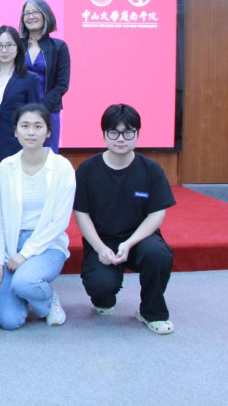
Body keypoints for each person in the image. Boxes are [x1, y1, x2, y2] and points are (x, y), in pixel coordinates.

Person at [73, 103, 176, 335]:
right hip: (102, 240)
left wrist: (129, 243)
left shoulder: (151, 170)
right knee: (100, 286)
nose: (121, 139)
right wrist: (99, 248)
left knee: (158, 254)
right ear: (104, 134)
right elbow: (81, 213)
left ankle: (152, 312)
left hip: (139, 239)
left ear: (138, 133)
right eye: (114, 132)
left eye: (128, 132)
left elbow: (157, 213)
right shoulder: (88, 170)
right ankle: (104, 299)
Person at [0, 103, 75, 330]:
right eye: (25, 126)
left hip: (47, 245)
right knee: (8, 320)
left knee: (24, 281)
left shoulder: (62, 168)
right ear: (15, 131)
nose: (31, 132)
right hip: (11, 246)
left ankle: (47, 300)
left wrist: (25, 253)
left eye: (38, 126)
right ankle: (28, 291)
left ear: (48, 131)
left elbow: (60, 222)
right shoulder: (5, 168)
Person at [0, 25, 39, 169]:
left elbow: (35, 117)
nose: (4, 50)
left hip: (17, 149)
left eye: (9, 45)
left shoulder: (30, 79)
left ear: (18, 48)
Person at [20, 0, 70, 152]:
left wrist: (42, 108)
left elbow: (62, 84)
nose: (31, 16)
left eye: (35, 12)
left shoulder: (59, 47)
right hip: (20, 110)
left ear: (45, 15)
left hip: (49, 110)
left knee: (48, 155)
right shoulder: (16, 45)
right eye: (27, 13)